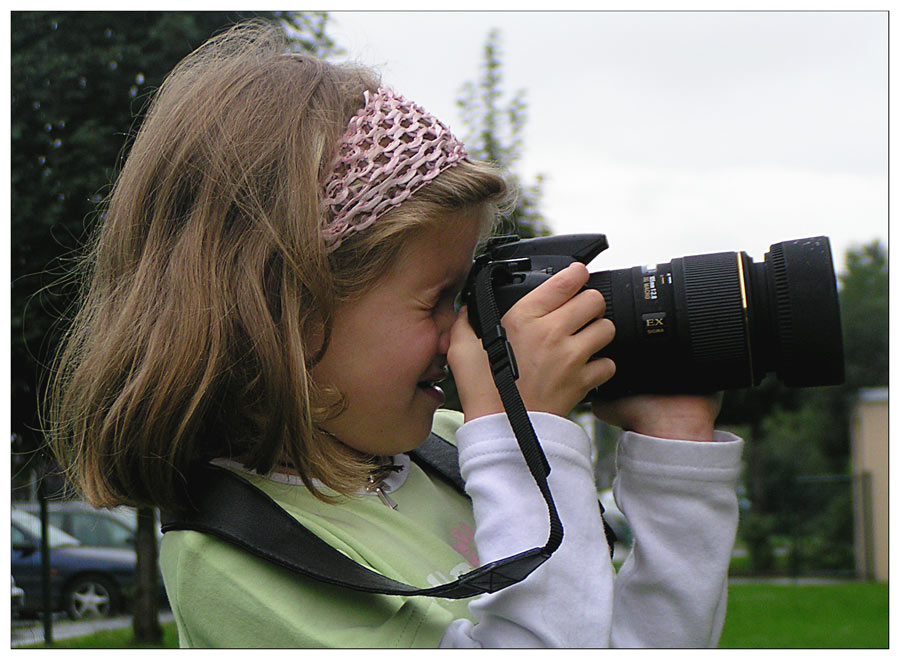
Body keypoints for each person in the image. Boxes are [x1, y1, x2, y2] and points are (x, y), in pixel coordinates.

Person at [46, 21, 744, 648]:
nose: (465, 331)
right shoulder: (237, 555)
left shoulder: (449, 448)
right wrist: (523, 439)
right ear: (283, 310)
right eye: (440, 299)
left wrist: (676, 460)